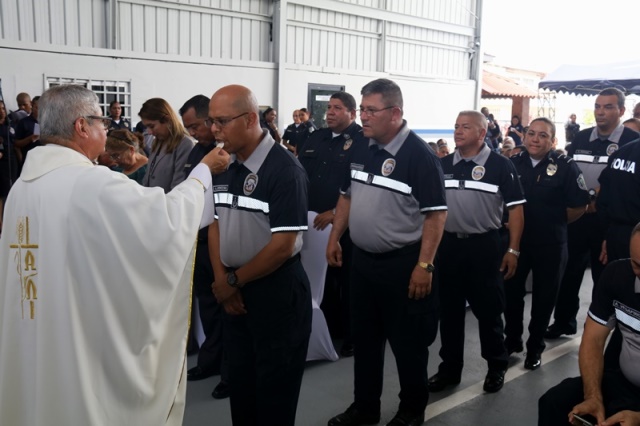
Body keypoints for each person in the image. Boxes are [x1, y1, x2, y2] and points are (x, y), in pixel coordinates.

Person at [0, 84, 231, 425]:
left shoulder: (22, 187)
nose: (106, 130)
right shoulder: (91, 183)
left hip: (37, 328)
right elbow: (165, 220)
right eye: (102, 122)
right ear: (81, 126)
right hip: (76, 342)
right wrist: (203, 173)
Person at [326, 78, 447, 426]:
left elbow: (436, 215)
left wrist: (425, 265)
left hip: (403, 264)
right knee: (365, 341)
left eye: (371, 110)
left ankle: (411, 410)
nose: (363, 116)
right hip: (363, 263)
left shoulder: (419, 156)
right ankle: (365, 408)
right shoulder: (361, 147)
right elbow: (346, 196)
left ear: (395, 113)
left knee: (408, 344)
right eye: (362, 109)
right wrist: (335, 237)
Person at [208, 85, 312, 426]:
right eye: (212, 121)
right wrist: (223, 280)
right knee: (242, 389)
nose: (215, 130)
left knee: (274, 395)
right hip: (235, 290)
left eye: (222, 121)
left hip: (275, 291)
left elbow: (282, 245)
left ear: (251, 119)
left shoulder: (284, 169)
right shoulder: (223, 164)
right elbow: (214, 224)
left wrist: (233, 282)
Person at [428, 110, 524, 395]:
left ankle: (496, 365)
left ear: (482, 133)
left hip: (484, 246)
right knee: (450, 312)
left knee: (489, 310)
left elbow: (516, 209)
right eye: (456, 126)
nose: (458, 131)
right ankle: (450, 369)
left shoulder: (500, 165)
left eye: (466, 127)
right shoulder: (442, 164)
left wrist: (513, 249)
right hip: (448, 246)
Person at [546, 88, 640, 339]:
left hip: (606, 220)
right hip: (578, 216)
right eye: (598, 106)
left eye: (608, 107)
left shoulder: (631, 140)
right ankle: (563, 321)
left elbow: (617, 182)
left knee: (604, 275)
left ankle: (603, 327)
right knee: (569, 272)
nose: (601, 112)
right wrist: (579, 201)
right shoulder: (580, 137)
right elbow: (568, 173)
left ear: (621, 110)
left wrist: (593, 197)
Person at [504, 118, 589, 370]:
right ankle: (512, 341)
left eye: (543, 135)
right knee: (511, 294)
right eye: (531, 133)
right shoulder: (511, 163)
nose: (535, 139)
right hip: (516, 243)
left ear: (553, 141)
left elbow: (579, 205)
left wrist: (554, 222)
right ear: (524, 136)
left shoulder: (565, 166)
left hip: (550, 243)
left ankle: (535, 347)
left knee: (544, 298)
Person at [538, 224, 640, 426]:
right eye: (637, 265)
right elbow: (593, 339)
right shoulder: (617, 276)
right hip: (623, 383)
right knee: (554, 403)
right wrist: (593, 396)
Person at [298, 91, 366, 357]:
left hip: (345, 224)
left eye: (337, 108)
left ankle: (352, 335)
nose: (330, 112)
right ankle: (328, 327)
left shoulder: (362, 141)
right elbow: (299, 174)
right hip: (311, 221)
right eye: (329, 107)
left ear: (352, 113)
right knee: (318, 279)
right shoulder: (316, 137)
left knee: (347, 281)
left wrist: (336, 212)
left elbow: (361, 186)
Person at [178, 94, 229, 399]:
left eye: (196, 126)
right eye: (188, 127)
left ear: (211, 119)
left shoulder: (228, 152)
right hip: (198, 237)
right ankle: (211, 361)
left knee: (228, 308)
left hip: (221, 237)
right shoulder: (198, 150)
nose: (192, 132)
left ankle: (230, 372)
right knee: (208, 306)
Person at [139, 97, 194, 192]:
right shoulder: (157, 142)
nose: (149, 132)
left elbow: (178, 186)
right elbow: (148, 177)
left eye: (152, 126)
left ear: (167, 120)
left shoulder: (185, 144)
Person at [14, 95, 41, 167]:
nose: (39, 110)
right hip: (29, 161)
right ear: (32, 106)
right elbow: (16, 144)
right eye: (37, 107)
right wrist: (30, 138)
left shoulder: (49, 122)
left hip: (45, 159)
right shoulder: (23, 122)